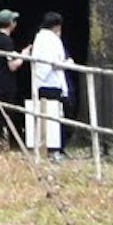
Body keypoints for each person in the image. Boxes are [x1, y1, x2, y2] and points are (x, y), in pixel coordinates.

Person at [23, 17, 74, 155]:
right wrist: (68, 64)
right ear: (57, 26)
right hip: (53, 83)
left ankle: (45, 146)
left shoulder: (38, 38)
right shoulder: (53, 40)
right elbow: (55, 63)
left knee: (44, 115)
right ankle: (56, 148)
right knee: (58, 116)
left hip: (40, 83)